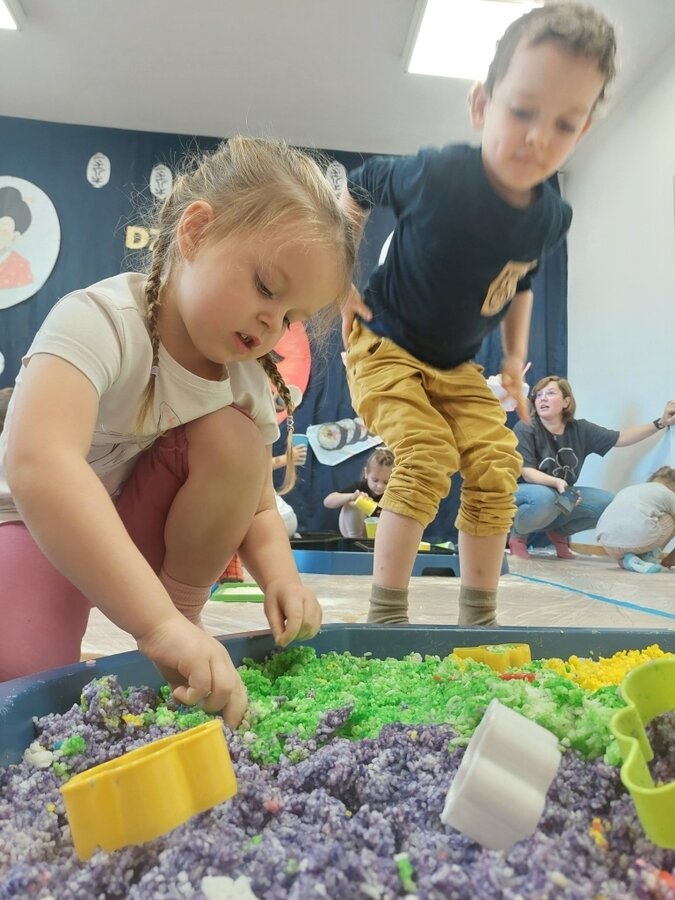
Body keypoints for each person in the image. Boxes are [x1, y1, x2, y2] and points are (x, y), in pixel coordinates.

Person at [0, 137, 358, 728]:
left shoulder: (245, 379)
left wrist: (282, 579)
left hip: (132, 517)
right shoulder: (99, 319)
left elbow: (257, 505)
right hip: (29, 522)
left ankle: (179, 621)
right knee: (22, 680)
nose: (273, 322)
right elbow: (41, 465)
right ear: (195, 232)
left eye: (290, 316)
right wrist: (154, 626)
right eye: (267, 288)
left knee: (237, 442)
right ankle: (163, 625)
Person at [339, 3, 617, 626]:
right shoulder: (437, 175)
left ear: (581, 133)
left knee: (497, 463)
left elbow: (522, 282)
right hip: (385, 345)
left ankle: (479, 619)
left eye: (564, 124)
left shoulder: (550, 216)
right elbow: (355, 190)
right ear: (481, 104)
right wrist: (340, 280)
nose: (538, 137)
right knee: (427, 453)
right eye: (522, 111)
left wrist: (514, 359)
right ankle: (386, 616)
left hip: (457, 365)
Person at [509, 376, 675, 559]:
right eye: (538, 395)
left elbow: (621, 438)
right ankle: (518, 537)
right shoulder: (526, 427)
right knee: (544, 497)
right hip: (527, 493)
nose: (543, 398)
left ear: (566, 402)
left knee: (610, 504)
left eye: (550, 393)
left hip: (561, 493)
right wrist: (557, 482)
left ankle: (559, 533)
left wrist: (661, 423)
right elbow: (528, 472)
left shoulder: (580, 429)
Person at [595, 467, 675, 573]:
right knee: (670, 517)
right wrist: (670, 559)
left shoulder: (630, 489)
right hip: (639, 543)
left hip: (608, 545)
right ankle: (648, 557)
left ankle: (628, 561)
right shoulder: (670, 494)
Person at [323, 447, 394, 538]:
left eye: (386, 482)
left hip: (382, 535)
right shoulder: (360, 487)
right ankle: (355, 540)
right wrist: (352, 496)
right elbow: (327, 502)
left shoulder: (394, 493)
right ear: (366, 473)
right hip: (357, 534)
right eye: (375, 480)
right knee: (352, 504)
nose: (379, 486)